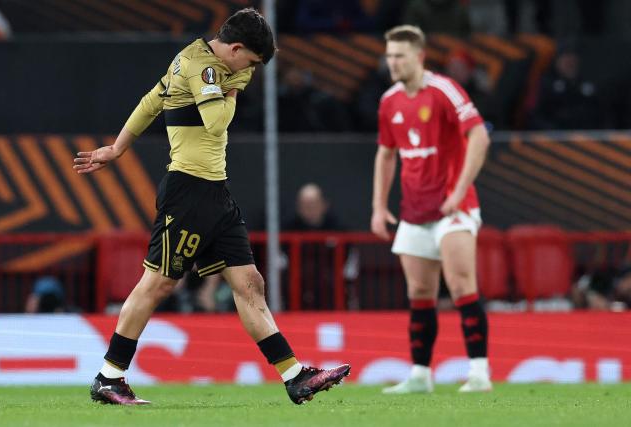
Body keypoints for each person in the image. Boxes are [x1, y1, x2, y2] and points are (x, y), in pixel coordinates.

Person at [73, 8, 349, 406]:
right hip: (188, 190)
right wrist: (234, 87)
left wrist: (117, 148)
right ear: (235, 48)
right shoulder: (204, 68)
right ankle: (109, 376)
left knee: (249, 282)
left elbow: (152, 101)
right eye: (250, 62)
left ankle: (294, 376)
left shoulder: (197, 62)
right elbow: (217, 123)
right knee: (158, 283)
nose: (250, 71)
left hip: (215, 192)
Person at [370, 25, 492, 394]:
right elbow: (386, 154)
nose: (393, 63)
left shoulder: (444, 90)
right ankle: (421, 376)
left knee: (460, 286)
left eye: (400, 56)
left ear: (419, 57)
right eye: (389, 56)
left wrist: (459, 190)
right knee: (420, 291)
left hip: (454, 208)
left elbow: (480, 135)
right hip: (414, 211)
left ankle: (480, 373)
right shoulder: (389, 100)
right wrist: (378, 206)